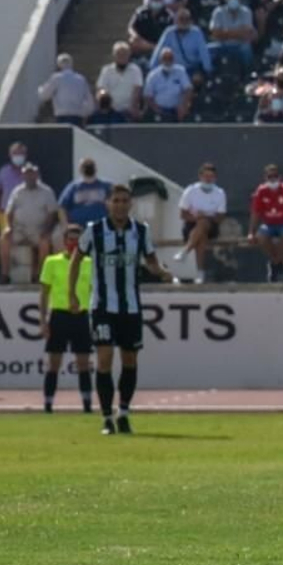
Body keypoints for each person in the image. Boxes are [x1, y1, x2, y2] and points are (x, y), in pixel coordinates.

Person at [69, 184, 176, 435]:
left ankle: (124, 413)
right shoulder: (94, 231)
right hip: (102, 306)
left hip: (130, 306)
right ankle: (107, 418)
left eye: (124, 200)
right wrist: (72, 292)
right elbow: (76, 260)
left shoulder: (140, 231)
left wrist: (161, 271)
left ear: (131, 204)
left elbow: (150, 259)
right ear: (108, 203)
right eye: (115, 200)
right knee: (105, 358)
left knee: (130, 359)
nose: (119, 204)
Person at [39, 223, 94, 414]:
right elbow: (44, 293)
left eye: (77, 240)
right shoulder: (52, 262)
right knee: (54, 362)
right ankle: (48, 403)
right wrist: (43, 320)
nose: (74, 243)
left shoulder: (89, 263)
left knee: (83, 363)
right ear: (64, 241)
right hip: (59, 315)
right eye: (70, 239)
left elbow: (94, 291)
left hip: (81, 315)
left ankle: (87, 404)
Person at [2, 163, 58, 284]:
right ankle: (5, 274)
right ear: (23, 175)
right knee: (5, 238)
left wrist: (46, 230)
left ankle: (40, 275)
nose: (30, 176)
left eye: (32, 173)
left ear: (37, 175)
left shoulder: (46, 191)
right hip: (19, 229)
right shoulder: (17, 191)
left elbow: (52, 214)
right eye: (27, 174)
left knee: (45, 243)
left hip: (39, 230)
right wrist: (9, 227)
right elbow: (9, 212)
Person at [248, 164, 283, 283]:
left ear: (279, 177)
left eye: (275, 176)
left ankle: (275, 264)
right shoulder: (261, 190)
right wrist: (251, 232)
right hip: (269, 224)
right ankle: (277, 263)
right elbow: (255, 213)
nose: (272, 178)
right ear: (265, 177)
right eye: (269, 176)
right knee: (260, 237)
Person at [177, 163, 227, 283]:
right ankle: (200, 272)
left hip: (212, 226)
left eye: (211, 177)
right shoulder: (190, 191)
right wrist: (197, 218)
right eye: (206, 176)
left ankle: (185, 250)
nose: (208, 179)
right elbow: (183, 214)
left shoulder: (220, 193)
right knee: (201, 236)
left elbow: (220, 217)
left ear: (215, 178)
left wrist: (205, 216)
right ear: (200, 177)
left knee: (204, 223)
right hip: (191, 225)